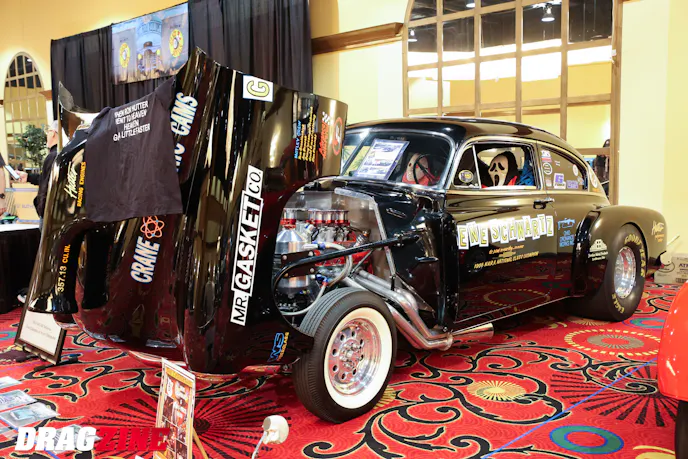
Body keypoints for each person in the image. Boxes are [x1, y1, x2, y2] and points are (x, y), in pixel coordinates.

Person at [17, 120, 60, 229]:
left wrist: (42, 209)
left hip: (50, 212)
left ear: (53, 133)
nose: (46, 135)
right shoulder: (63, 154)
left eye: (48, 131)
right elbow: (45, 179)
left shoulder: (53, 156)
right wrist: (28, 177)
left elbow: (47, 185)